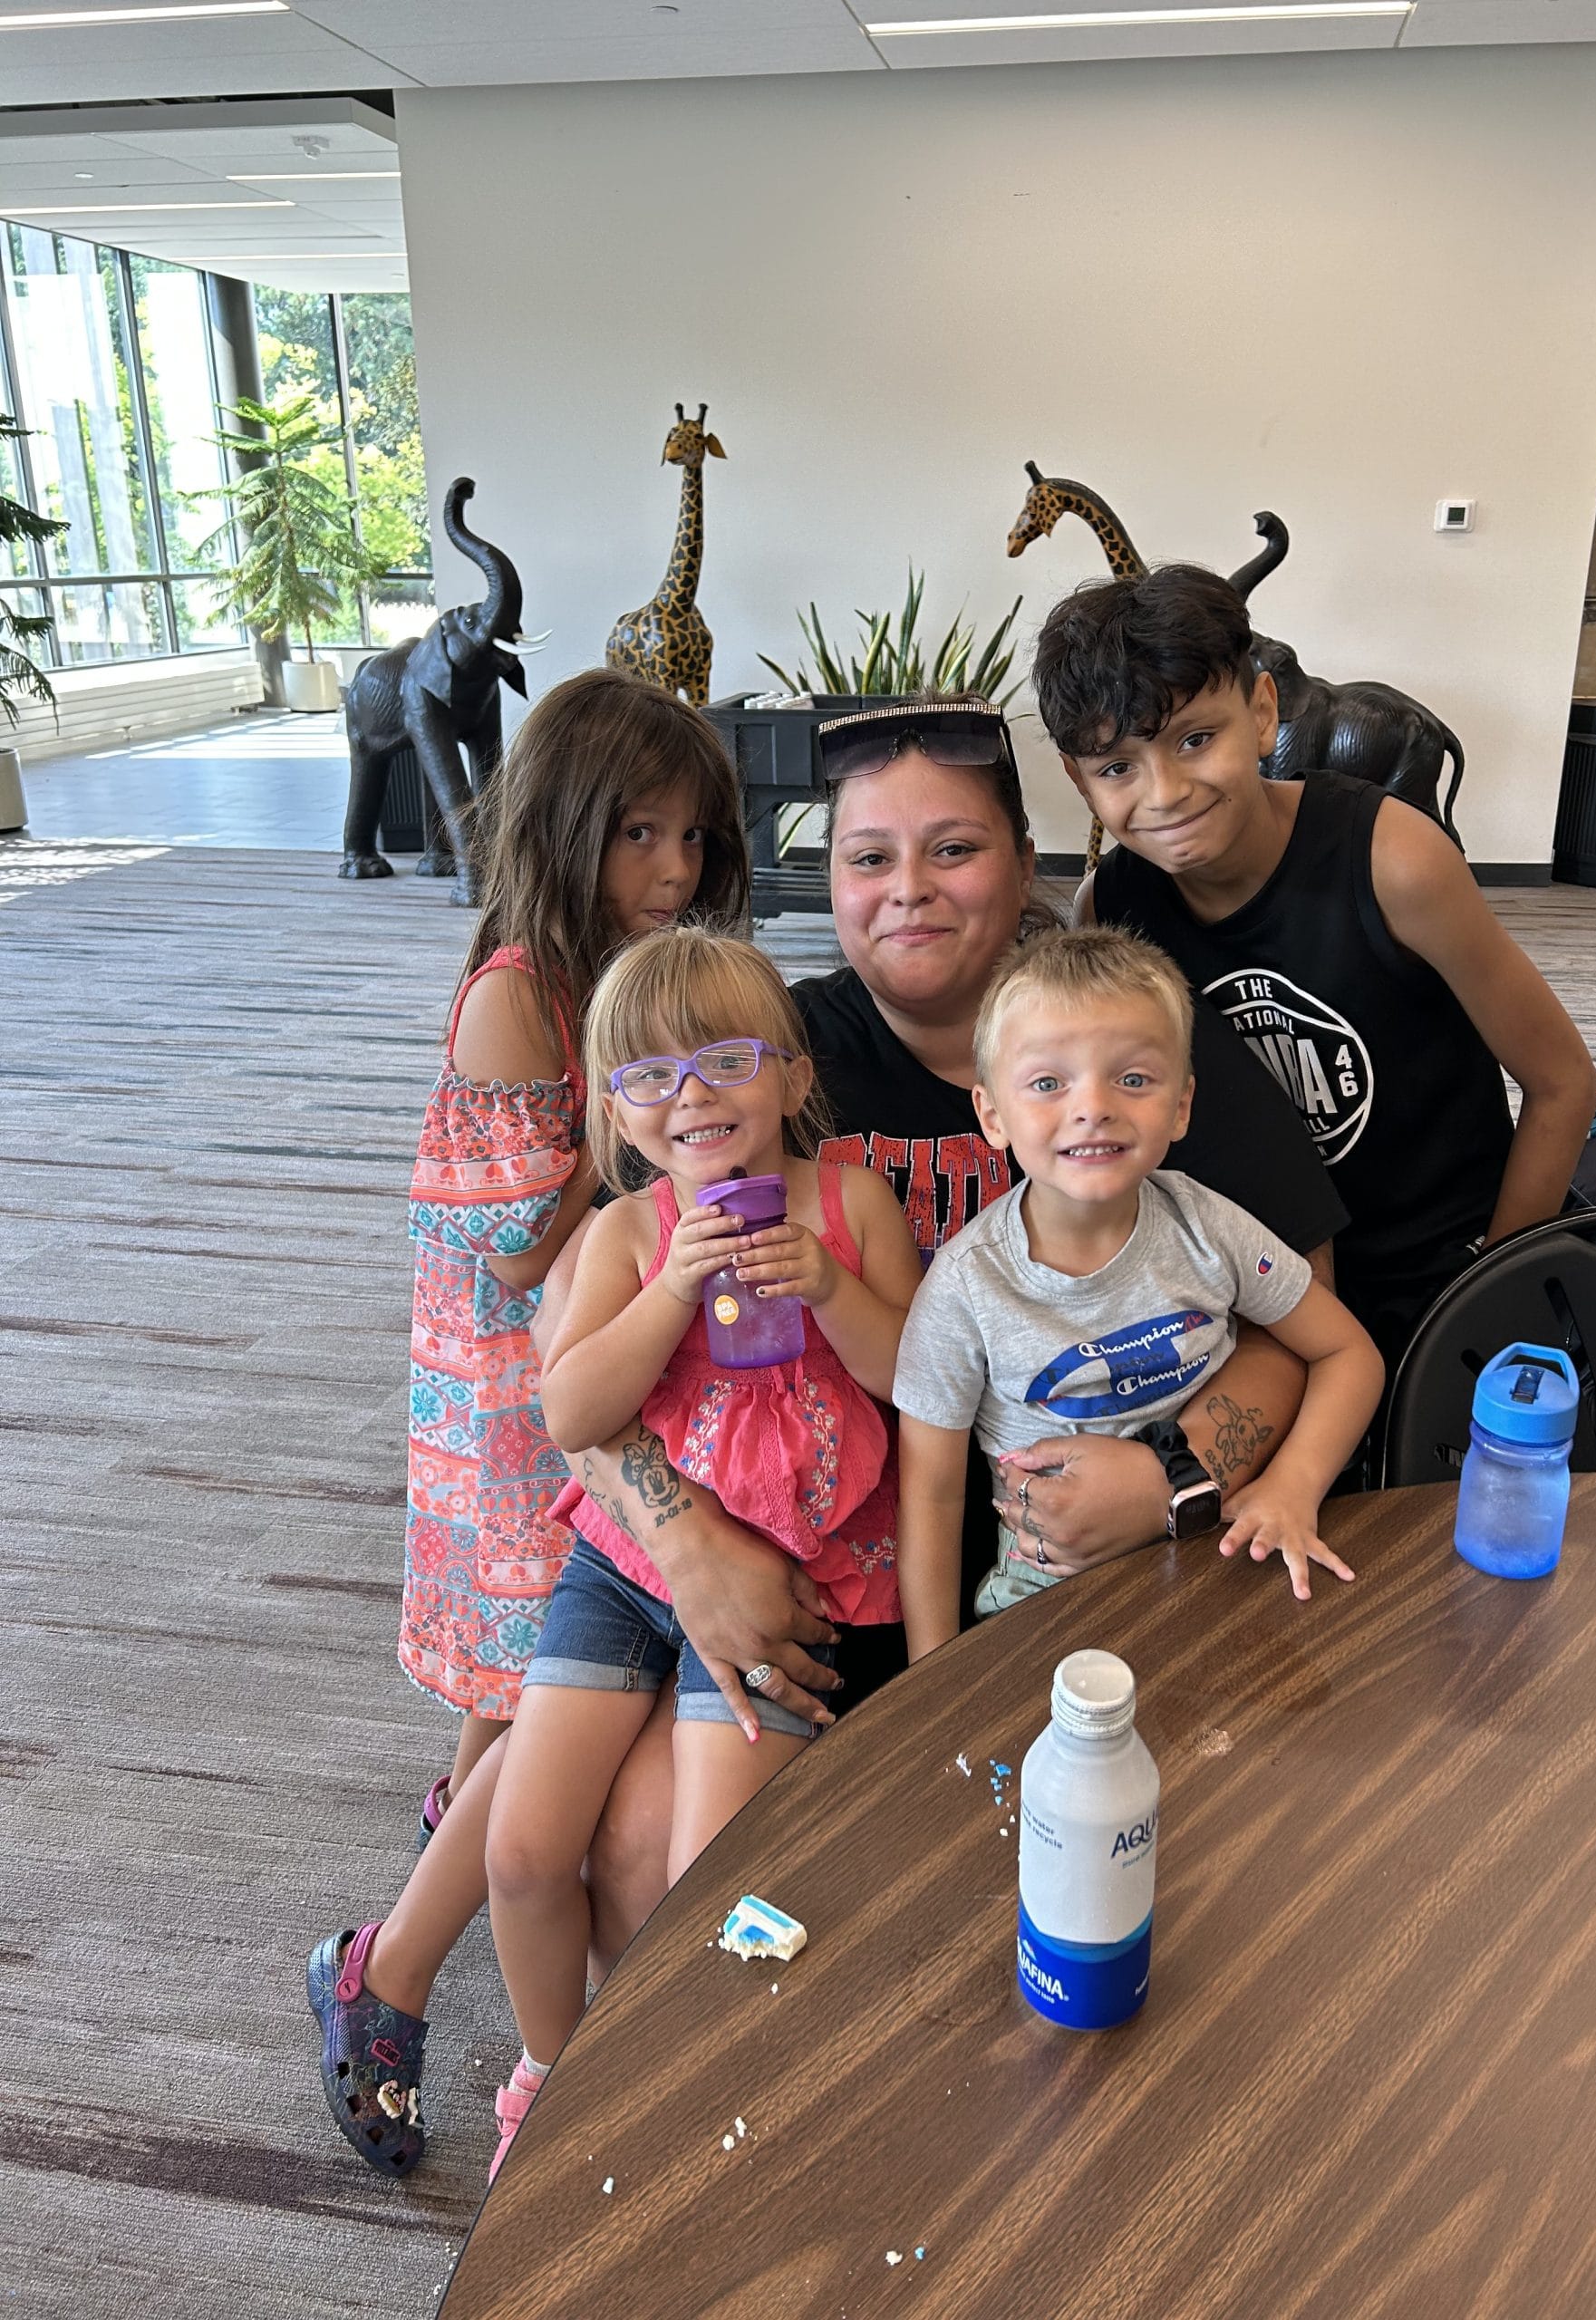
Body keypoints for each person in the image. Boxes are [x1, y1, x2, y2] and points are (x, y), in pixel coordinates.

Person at [309, 695, 1345, 2183]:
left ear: (1026, 861)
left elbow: (1309, 1327)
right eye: (868, 856)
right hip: (793, 1563)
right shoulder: (759, 1054)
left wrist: (1176, 1473)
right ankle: (606, 2086)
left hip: (1064, 1574)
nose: (908, 889)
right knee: (614, 1849)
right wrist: (686, 1544)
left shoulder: (1122, 1035)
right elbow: (571, 1384)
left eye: (953, 849)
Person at [306, 672, 750, 2177]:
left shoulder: (630, 969)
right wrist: (644, 1141)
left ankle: (438, 1874)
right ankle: (384, 1972)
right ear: (567, 827)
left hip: (601, 1360)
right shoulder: (520, 994)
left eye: (693, 838)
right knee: (533, 1679)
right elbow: (513, 1254)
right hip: (517, 1404)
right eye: (638, 835)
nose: (673, 870)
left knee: (516, 1697)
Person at [483, 928, 920, 2178]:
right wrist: (672, 1285)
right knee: (522, 1850)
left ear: (792, 1077)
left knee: (708, 1877)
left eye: (726, 1060)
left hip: (800, 1577)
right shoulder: (628, 1234)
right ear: (619, 1112)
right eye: (651, 1076)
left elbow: (918, 1384)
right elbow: (572, 1412)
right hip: (627, 1573)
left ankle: (708, 2088)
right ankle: (549, 2073)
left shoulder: (852, 1205)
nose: (691, 1096)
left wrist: (830, 1287)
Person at [1034, 566, 1596, 1381]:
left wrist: (1489, 1295)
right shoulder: (1110, 910)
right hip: (1250, 1297)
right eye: (1117, 767)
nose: (1166, 793)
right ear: (1077, 778)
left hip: (1440, 1272)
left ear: (1263, 713)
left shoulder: (1393, 861)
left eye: (1195, 739)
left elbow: (1563, 1082)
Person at [896, 927, 1384, 1654]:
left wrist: (1294, 1485)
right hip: (1044, 1615)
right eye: (1048, 1083)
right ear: (992, 1115)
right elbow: (930, 1498)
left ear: (1181, 1106)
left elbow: (1349, 1353)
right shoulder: (966, 1286)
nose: (1093, 1106)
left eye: (1132, 1078)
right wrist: (930, 1680)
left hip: (1218, 1571)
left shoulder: (1209, 1226)